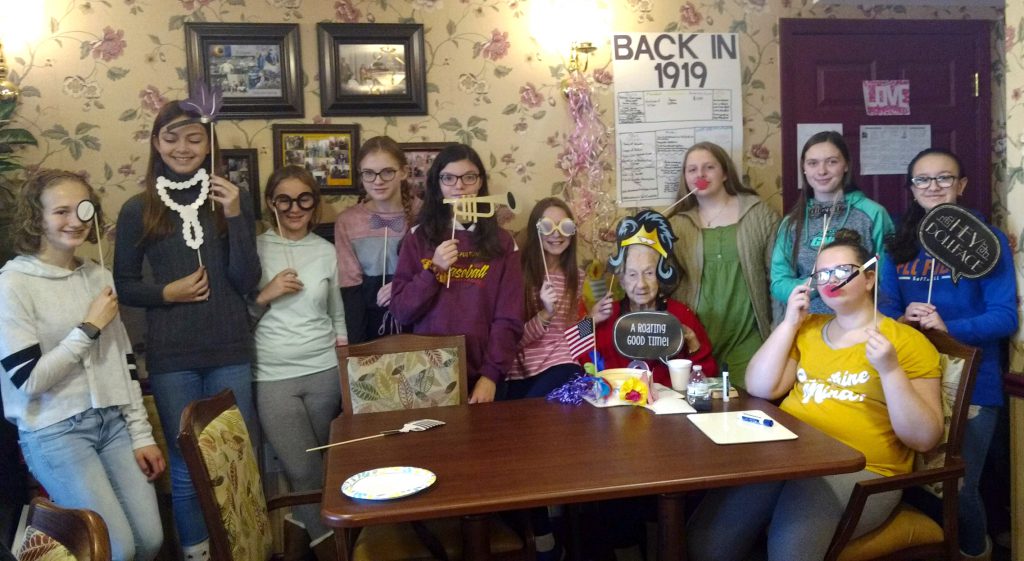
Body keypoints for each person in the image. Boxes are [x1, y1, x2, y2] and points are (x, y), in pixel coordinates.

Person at [688, 229, 943, 561]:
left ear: (868, 279)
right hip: (789, 457)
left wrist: (890, 370)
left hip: (864, 472)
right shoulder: (810, 328)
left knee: (789, 552)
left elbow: (924, 438)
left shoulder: (906, 342)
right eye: (822, 273)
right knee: (706, 543)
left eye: (840, 271)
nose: (829, 280)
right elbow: (761, 387)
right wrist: (789, 324)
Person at [114, 101, 261, 560]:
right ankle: (196, 554)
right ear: (157, 144)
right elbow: (124, 285)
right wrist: (167, 293)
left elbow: (246, 280)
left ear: (209, 144)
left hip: (230, 349)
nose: (183, 147)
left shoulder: (231, 199)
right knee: (184, 465)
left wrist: (236, 216)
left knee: (236, 455)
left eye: (194, 138)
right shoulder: (138, 208)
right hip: (172, 356)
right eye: (172, 138)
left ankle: (243, 549)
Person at [1, 170, 164, 561]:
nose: (75, 220)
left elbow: (122, 361)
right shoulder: (13, 283)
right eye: (61, 211)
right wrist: (89, 327)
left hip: (113, 424)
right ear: (36, 218)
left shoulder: (98, 276)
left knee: (151, 540)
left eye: (84, 209)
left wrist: (141, 433)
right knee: (118, 549)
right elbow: (30, 380)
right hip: (56, 432)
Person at [879, 148, 1018, 560]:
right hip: (913, 379)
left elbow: (1004, 316)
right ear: (912, 189)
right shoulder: (897, 244)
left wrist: (948, 328)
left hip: (976, 385)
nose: (933, 187)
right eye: (923, 180)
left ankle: (976, 551)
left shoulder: (986, 242)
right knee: (915, 482)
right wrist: (902, 316)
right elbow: (883, 309)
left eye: (944, 178)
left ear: (961, 186)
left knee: (958, 484)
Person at [252, 166, 346, 561]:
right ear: (271, 204)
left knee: (318, 473)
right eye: (284, 200)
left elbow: (336, 315)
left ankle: (293, 554)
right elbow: (237, 316)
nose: (295, 208)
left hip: (325, 372)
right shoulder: (255, 249)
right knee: (305, 473)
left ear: (314, 203)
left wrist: (345, 366)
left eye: (303, 199)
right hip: (274, 376)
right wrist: (267, 293)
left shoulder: (326, 251)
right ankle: (339, 553)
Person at [390, 143, 524, 404]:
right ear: (438, 184)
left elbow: (508, 318)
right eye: (449, 178)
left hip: (483, 376)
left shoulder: (504, 243)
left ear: (480, 183)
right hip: (428, 371)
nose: (459, 186)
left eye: (468, 177)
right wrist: (434, 269)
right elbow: (401, 310)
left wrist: (491, 376)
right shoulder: (418, 238)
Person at [668, 142, 779, 387]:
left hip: (747, 337)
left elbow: (777, 278)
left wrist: (779, 331)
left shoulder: (758, 214)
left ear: (725, 172)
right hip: (695, 339)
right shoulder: (676, 226)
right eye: (692, 170)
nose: (700, 175)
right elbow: (664, 284)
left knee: (749, 404)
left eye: (709, 167)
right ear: (685, 178)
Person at [588, 209, 718, 386]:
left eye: (649, 273)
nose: (641, 284)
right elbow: (573, 351)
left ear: (660, 275)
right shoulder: (608, 314)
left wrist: (694, 345)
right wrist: (590, 321)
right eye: (632, 275)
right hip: (618, 406)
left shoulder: (680, 314)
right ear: (622, 280)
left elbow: (708, 375)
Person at [770, 131, 894, 314]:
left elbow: (887, 278)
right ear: (804, 168)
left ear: (846, 166)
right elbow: (779, 283)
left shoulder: (873, 213)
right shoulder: (792, 222)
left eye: (832, 162)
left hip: (860, 324)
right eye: (813, 163)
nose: (822, 171)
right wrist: (820, 282)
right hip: (807, 326)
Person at [335, 136, 419, 343]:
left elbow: (435, 273)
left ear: (403, 172)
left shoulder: (425, 214)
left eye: (387, 172)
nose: (378, 181)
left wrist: (403, 286)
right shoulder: (348, 221)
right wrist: (357, 349)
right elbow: (350, 287)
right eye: (369, 174)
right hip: (369, 325)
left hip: (420, 322)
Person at [507, 197, 586, 399]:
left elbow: (569, 335)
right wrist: (545, 314)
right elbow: (511, 341)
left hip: (561, 364)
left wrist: (593, 318)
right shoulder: (518, 274)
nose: (557, 234)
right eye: (548, 226)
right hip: (519, 370)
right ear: (536, 230)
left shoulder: (576, 277)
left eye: (565, 227)